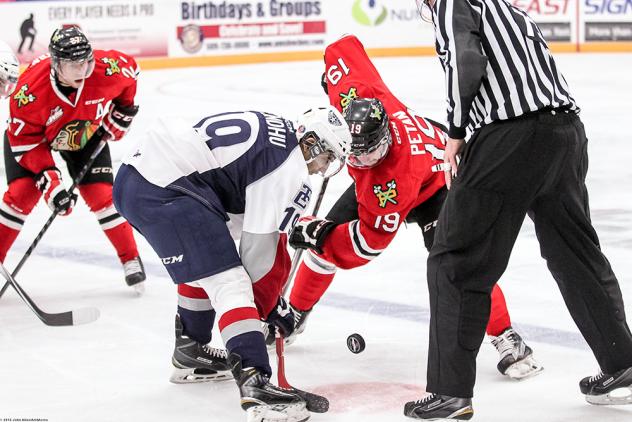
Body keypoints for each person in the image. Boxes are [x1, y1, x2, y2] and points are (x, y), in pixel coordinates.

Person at [404, 0, 632, 419]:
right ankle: (624, 366)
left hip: (509, 139)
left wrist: (456, 132)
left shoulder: (453, 3)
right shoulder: (507, 9)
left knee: (454, 260)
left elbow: (465, 61)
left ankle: (450, 393)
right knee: (576, 255)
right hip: (565, 135)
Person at [286, 35, 541, 381]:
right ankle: (294, 313)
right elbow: (343, 49)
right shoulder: (359, 97)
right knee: (323, 247)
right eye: (354, 152)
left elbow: (367, 244)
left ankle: (506, 336)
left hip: (439, 183)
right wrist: (332, 80)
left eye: (370, 153)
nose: (361, 159)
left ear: (386, 137)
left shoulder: (389, 178)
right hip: (400, 172)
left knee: (459, 264)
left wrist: (319, 234)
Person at [112, 106, 351, 421]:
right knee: (230, 283)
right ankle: (256, 383)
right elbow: (259, 251)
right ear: (314, 144)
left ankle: (191, 348)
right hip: (166, 189)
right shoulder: (288, 164)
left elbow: (241, 224)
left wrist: (269, 300)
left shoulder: (276, 134)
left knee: (211, 254)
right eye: (328, 158)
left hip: (142, 179)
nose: (323, 169)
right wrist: (267, 309)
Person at [0, 27, 146, 291]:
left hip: (84, 134)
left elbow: (131, 73)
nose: (83, 70)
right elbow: (25, 143)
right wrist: (52, 184)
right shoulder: (28, 92)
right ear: (56, 64)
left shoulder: (107, 68)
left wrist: (122, 113)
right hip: (36, 141)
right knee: (21, 194)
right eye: (74, 64)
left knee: (102, 196)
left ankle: (131, 259)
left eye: (86, 61)